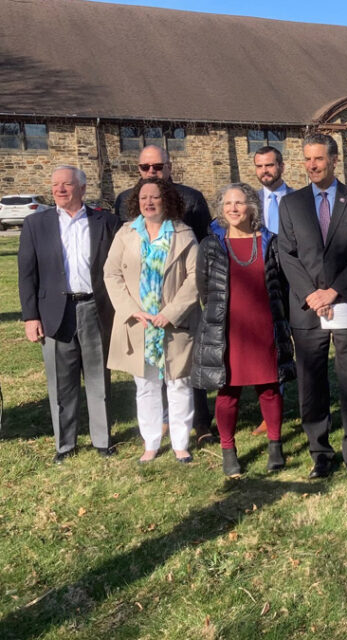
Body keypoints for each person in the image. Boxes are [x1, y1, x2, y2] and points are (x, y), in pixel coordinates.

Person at [277, 133, 347, 479]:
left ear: (334, 160)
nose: (312, 166)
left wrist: (333, 290)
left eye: (318, 159)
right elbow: (286, 255)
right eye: (306, 159)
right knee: (311, 382)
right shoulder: (291, 204)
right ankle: (320, 452)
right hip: (306, 308)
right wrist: (310, 294)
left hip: (345, 303)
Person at [191, 183, 296, 477]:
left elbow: (282, 285)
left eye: (239, 203)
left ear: (252, 207)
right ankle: (228, 449)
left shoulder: (270, 242)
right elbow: (204, 288)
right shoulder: (211, 245)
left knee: (270, 389)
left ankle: (275, 446)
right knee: (228, 392)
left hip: (265, 326)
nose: (234, 208)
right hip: (228, 331)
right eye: (228, 204)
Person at [17, 166, 120, 462]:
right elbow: (27, 275)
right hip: (54, 310)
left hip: (94, 307)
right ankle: (65, 444)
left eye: (67, 184)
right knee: (60, 382)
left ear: (83, 188)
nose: (60, 190)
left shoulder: (106, 221)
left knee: (99, 375)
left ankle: (103, 440)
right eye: (55, 185)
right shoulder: (36, 224)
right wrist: (30, 317)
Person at [114, 145, 215, 445]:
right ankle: (162, 423)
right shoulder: (125, 201)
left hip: (180, 294)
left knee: (185, 363)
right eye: (145, 167)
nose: (152, 172)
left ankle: (201, 422)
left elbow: (204, 247)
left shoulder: (192, 198)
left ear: (169, 166)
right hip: (143, 301)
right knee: (150, 368)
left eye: (157, 166)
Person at [104, 177, 201, 463]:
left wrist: (170, 312)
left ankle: (180, 443)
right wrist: (132, 310)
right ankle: (151, 442)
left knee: (179, 383)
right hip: (139, 323)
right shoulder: (126, 233)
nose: (148, 202)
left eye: (155, 196)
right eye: (143, 197)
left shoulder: (183, 234)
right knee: (145, 385)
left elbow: (196, 277)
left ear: (166, 200)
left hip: (173, 323)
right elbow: (112, 274)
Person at [250, 145, 294, 437]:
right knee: (267, 346)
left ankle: (310, 398)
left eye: (270, 165)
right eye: (259, 166)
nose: (265, 171)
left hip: (296, 281)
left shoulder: (300, 199)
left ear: (281, 166)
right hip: (262, 282)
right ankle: (271, 410)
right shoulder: (248, 202)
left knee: (302, 343)